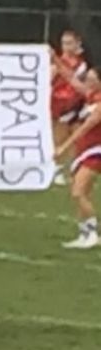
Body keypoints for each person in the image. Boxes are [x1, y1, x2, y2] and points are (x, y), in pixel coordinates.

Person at [53, 56, 101, 249]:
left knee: (78, 192)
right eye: (87, 78)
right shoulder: (90, 95)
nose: (87, 82)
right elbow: (72, 79)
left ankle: (92, 232)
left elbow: (85, 128)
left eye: (92, 79)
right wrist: (54, 58)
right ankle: (85, 234)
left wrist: (64, 147)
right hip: (85, 149)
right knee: (82, 192)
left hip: (96, 152)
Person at [50, 30, 87, 186]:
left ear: (78, 43)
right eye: (64, 43)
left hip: (76, 104)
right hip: (60, 104)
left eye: (70, 43)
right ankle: (56, 170)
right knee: (60, 137)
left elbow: (79, 81)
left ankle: (70, 168)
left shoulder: (82, 63)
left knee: (77, 139)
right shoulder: (58, 62)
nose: (66, 47)